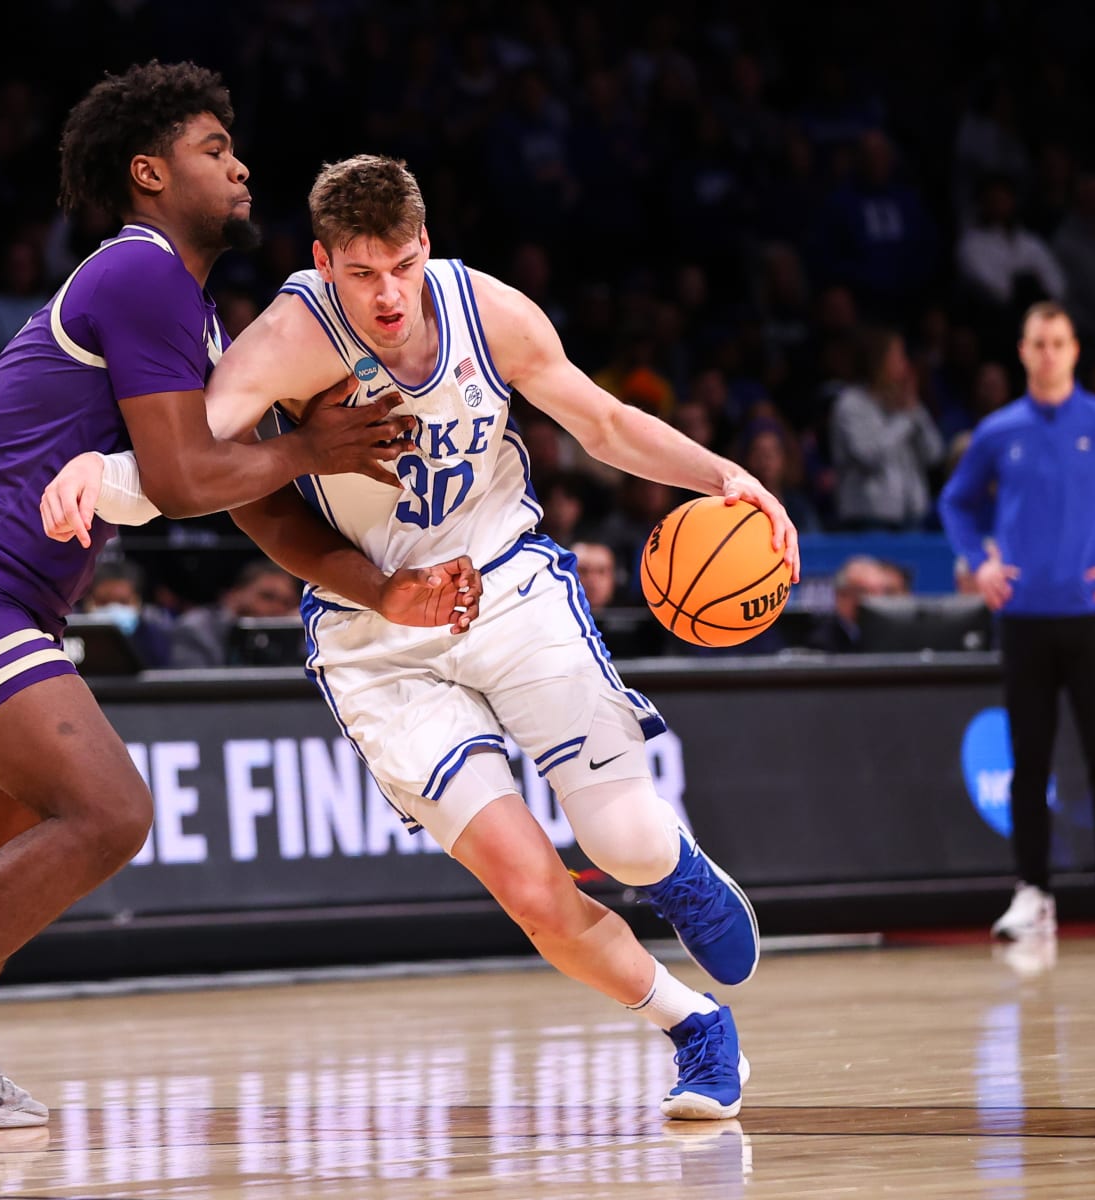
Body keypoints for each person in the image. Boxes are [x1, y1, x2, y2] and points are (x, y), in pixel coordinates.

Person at [0, 64, 470, 1167]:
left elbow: (242, 501)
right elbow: (180, 471)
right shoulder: (140, 271)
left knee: (0, 852)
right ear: (150, 173)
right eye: (216, 147)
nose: (242, 165)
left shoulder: (186, 316)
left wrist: (379, 586)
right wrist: (309, 445)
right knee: (110, 815)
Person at [46, 154, 803, 1122]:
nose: (388, 294)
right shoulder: (287, 338)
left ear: (426, 246)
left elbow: (603, 423)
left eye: (401, 265)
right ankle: (696, 1026)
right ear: (324, 264)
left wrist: (723, 476)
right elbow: (191, 455)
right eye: (361, 274)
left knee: (624, 838)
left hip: (508, 586)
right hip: (377, 634)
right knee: (532, 892)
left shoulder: (492, 314)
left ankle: (678, 870)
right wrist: (98, 479)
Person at [939, 302, 1095, 942]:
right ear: (1022, 351)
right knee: (1030, 759)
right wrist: (977, 560)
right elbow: (955, 501)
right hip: (1023, 616)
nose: (1048, 353)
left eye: (1058, 343)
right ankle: (1032, 892)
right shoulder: (998, 430)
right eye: (1038, 343)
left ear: (1073, 351)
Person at [829, 327, 945, 531]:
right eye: (898, 356)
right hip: (869, 520)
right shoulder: (851, 404)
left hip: (911, 518)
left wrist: (915, 408)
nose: (905, 365)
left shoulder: (905, 404)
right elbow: (868, 456)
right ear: (878, 361)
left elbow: (934, 453)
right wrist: (905, 418)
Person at [169, 559, 301, 668]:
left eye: (287, 602)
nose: (277, 608)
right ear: (235, 594)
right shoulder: (196, 629)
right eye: (267, 597)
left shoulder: (294, 632)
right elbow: (195, 690)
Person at [806, 555, 905, 653]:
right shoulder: (822, 643)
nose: (873, 600)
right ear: (841, 595)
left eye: (879, 592)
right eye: (863, 592)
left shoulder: (893, 637)